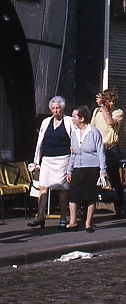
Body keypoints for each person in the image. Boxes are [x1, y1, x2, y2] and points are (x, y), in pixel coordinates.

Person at [28, 96, 74, 227]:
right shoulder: (46, 122)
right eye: (53, 108)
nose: (56, 111)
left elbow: (75, 139)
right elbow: (40, 142)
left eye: (58, 108)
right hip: (47, 159)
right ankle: (40, 216)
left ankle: (63, 218)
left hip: (63, 159)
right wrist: (37, 161)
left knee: (62, 189)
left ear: (63, 108)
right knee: (43, 187)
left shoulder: (69, 121)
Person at [67, 106, 108, 232]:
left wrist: (103, 170)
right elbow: (73, 153)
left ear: (82, 118)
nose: (72, 119)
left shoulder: (94, 132)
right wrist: (69, 170)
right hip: (78, 167)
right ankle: (73, 221)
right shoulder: (74, 134)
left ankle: (88, 223)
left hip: (92, 167)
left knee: (91, 195)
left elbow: (101, 152)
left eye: (74, 117)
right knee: (73, 194)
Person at [91, 88, 124, 217]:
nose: (112, 104)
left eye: (113, 101)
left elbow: (110, 122)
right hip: (98, 148)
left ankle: (119, 205)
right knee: (94, 177)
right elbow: (92, 128)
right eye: (109, 101)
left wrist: (103, 107)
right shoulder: (96, 112)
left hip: (111, 147)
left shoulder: (118, 112)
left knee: (114, 178)